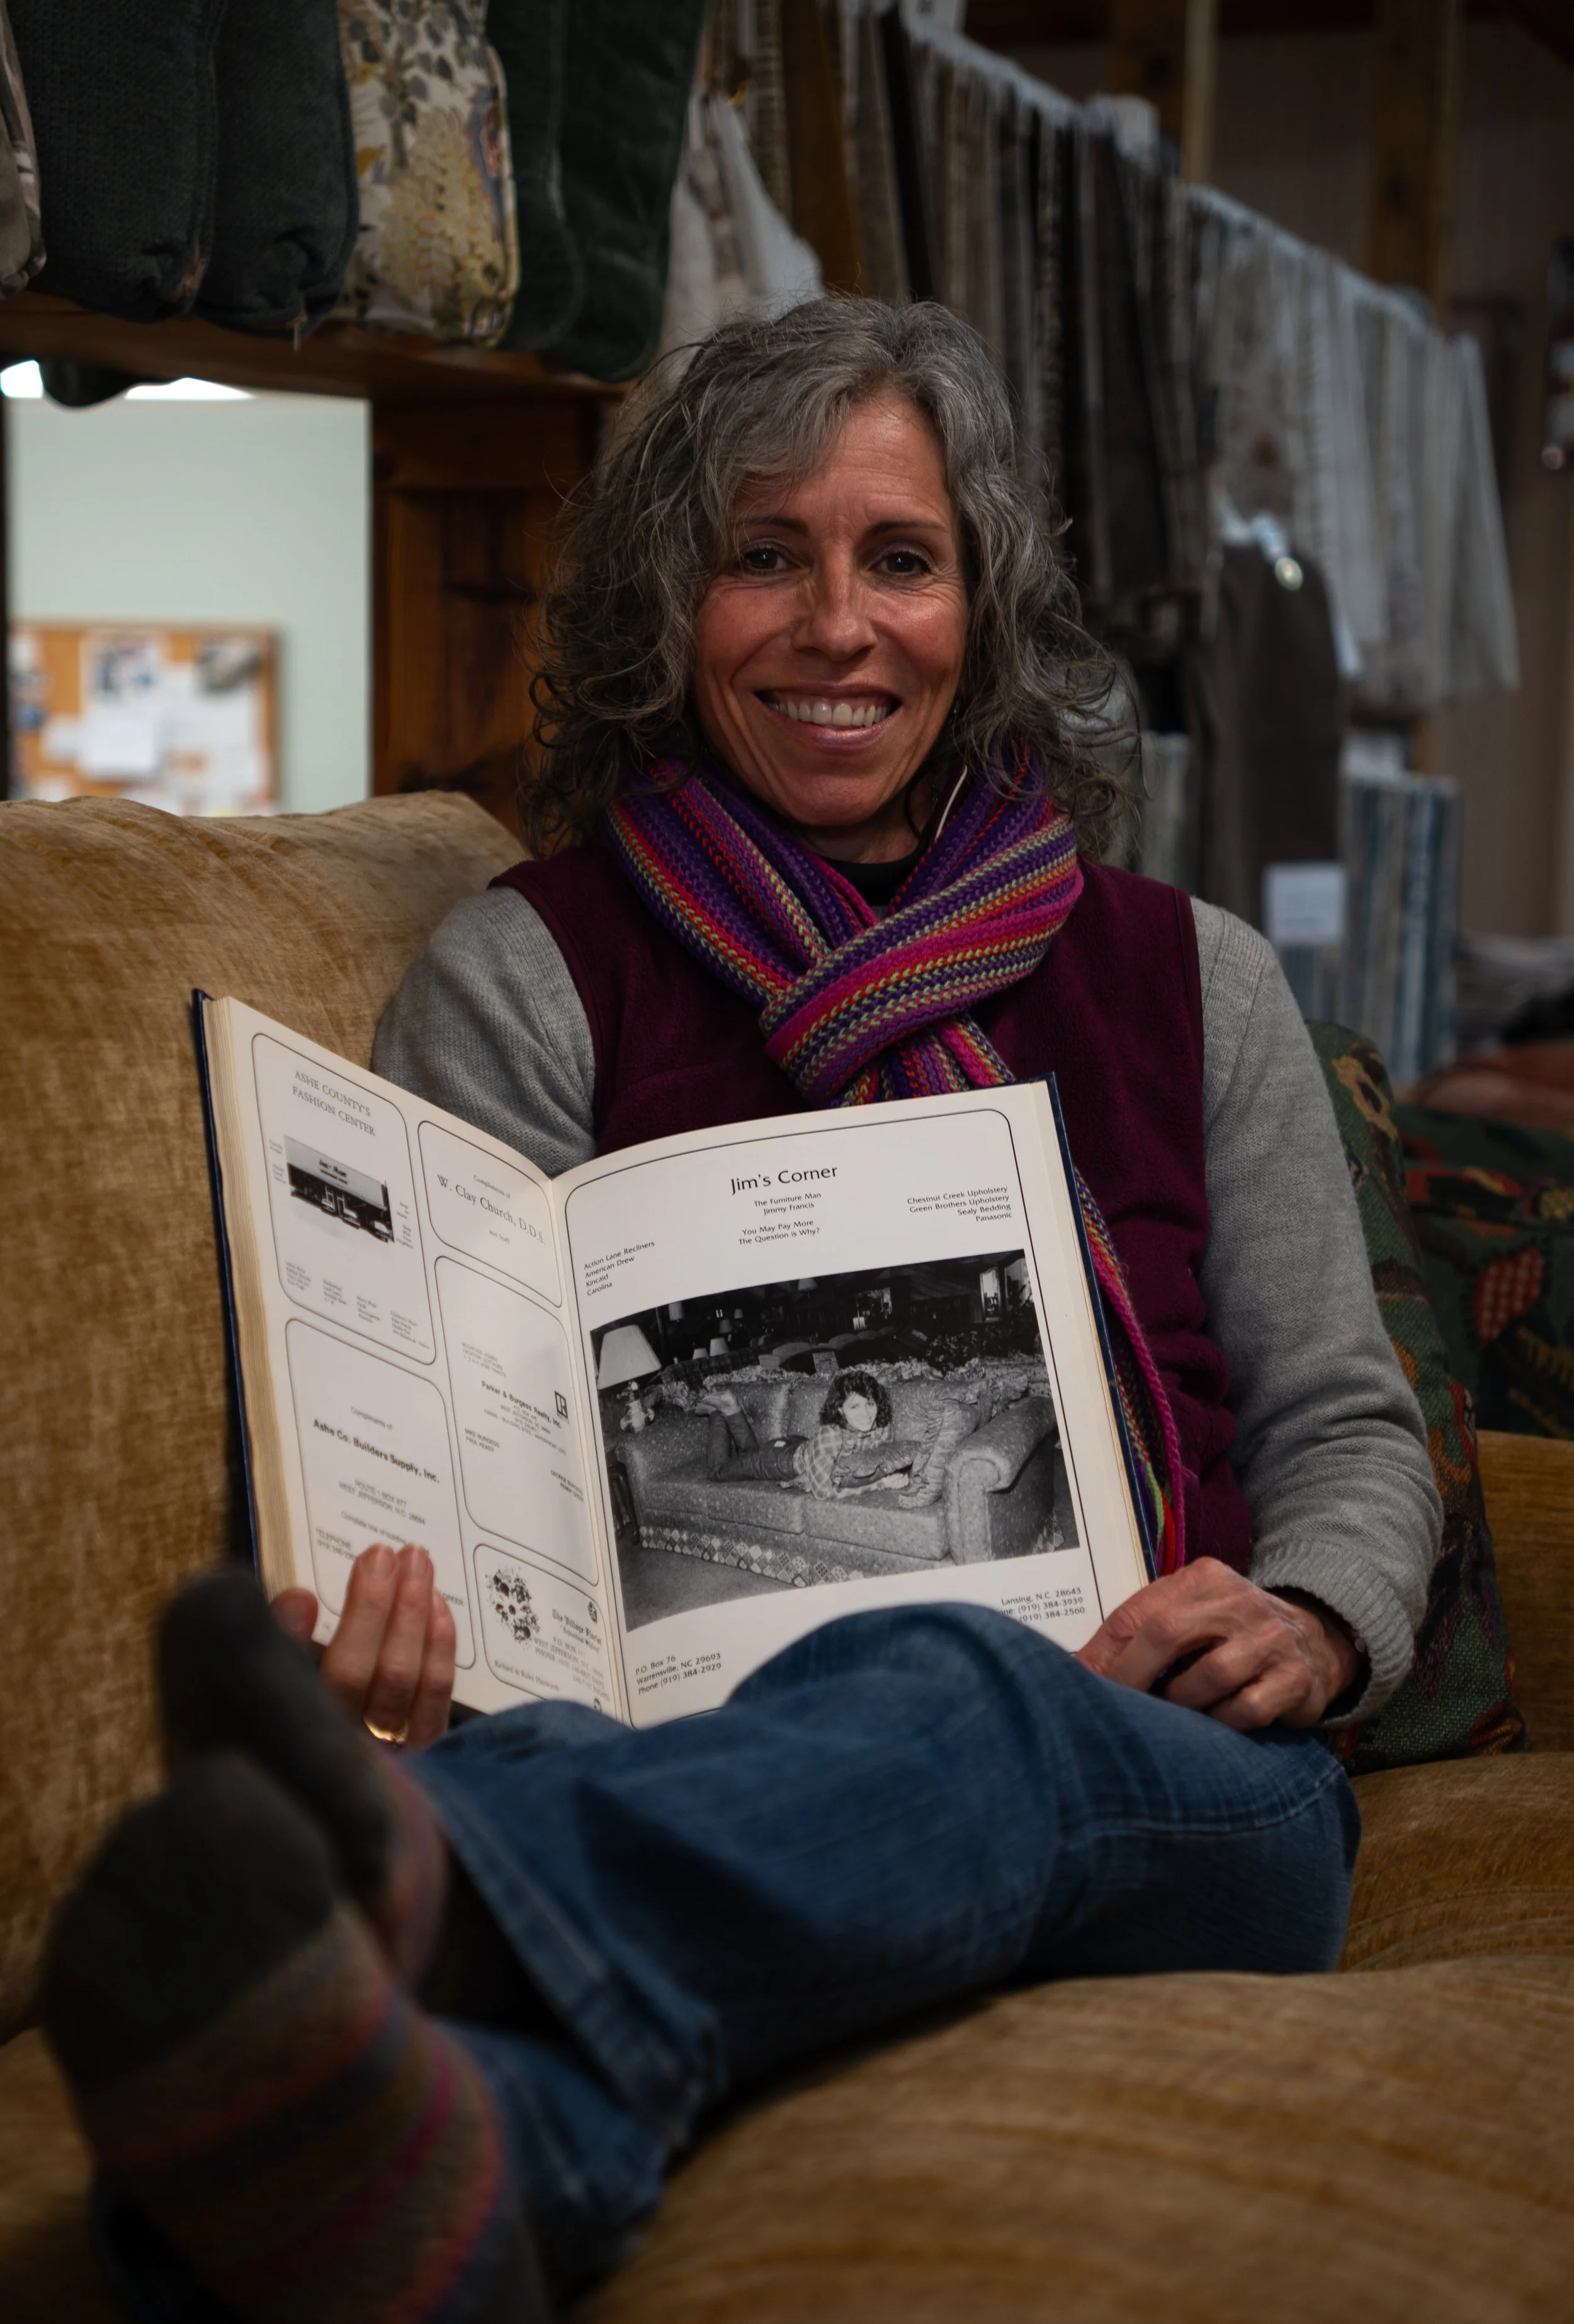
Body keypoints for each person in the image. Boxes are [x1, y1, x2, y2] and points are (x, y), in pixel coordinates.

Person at [43, 300, 1441, 2324]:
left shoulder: (1188, 974)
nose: (833, 624)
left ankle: (420, 1885)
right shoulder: (529, 973)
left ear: (983, 606)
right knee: (687, 1854)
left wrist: (1308, 1617)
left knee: (960, 1681)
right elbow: (459, 1445)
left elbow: (1341, 1417)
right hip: (673, 1754)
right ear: (666, 605)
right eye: (760, 553)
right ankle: (433, 2179)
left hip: (1167, 1771)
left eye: (899, 557)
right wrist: (399, 1617)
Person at [699, 1369, 912, 1495]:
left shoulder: (881, 1428)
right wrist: (880, 1484)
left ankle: (731, 1408)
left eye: (870, 1404)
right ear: (840, 1409)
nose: (866, 1414)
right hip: (777, 1460)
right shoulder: (831, 1437)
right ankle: (720, 1412)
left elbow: (887, 1457)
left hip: (800, 1446)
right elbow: (824, 1493)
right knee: (718, 1472)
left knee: (750, 1454)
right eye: (854, 1407)